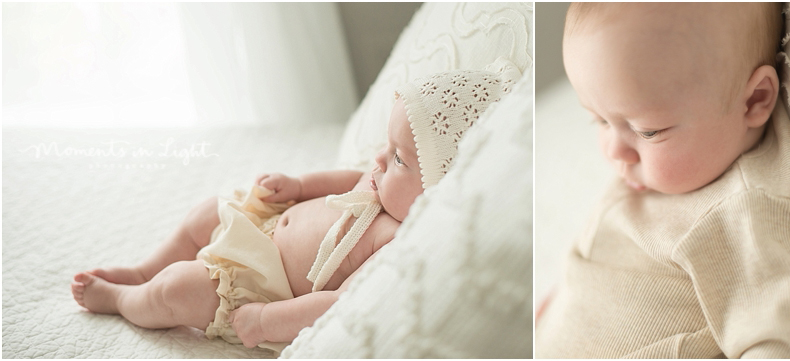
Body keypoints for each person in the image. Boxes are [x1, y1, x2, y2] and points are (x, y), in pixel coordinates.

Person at [71, 63, 519, 351]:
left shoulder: (398, 239)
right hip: (261, 225)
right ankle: (143, 268)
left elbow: (341, 302)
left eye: (399, 158)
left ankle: (124, 297)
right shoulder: (383, 183)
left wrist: (267, 321)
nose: (379, 160)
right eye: (388, 146)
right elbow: (345, 179)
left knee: (175, 292)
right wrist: (298, 185)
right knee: (205, 213)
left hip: (261, 282)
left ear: (440, 188)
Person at [536, 3, 790, 358]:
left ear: (755, 100)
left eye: (649, 131)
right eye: (598, 120)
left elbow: (778, 340)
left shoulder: (744, 214)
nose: (615, 151)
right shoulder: (668, 169)